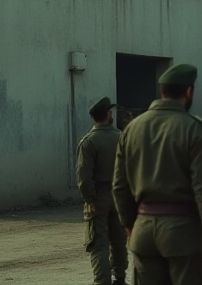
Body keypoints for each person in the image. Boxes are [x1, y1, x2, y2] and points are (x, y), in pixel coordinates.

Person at [113, 63, 202, 285]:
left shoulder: (132, 128)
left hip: (142, 230)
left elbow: (119, 186)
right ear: (188, 91)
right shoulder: (195, 129)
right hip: (181, 234)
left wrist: (130, 227)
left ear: (161, 91)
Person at [77, 96, 129, 285]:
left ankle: (102, 281)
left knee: (98, 243)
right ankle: (120, 278)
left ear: (93, 118)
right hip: (120, 196)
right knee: (119, 240)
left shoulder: (89, 142)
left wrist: (89, 199)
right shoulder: (122, 137)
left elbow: (83, 176)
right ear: (109, 114)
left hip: (98, 196)